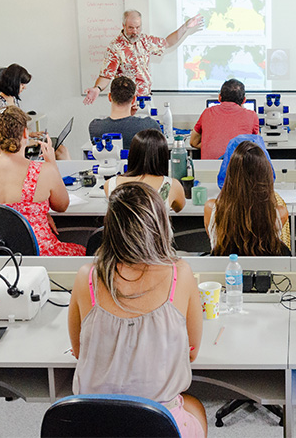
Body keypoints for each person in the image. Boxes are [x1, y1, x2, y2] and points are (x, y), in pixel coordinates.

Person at [68, 182, 206, 438]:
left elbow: (78, 351)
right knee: (194, 406)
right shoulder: (180, 273)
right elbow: (192, 352)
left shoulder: (86, 277)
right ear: (160, 226)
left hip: (93, 425)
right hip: (156, 424)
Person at [0, 106, 85, 256]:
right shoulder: (43, 170)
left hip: (2, 255)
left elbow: (2, 213)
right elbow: (62, 205)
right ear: (25, 133)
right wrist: (51, 164)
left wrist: (41, 212)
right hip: (40, 253)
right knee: (84, 250)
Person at [83, 10, 204, 105]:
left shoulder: (144, 40)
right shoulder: (115, 47)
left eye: (138, 27)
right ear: (123, 25)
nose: (135, 32)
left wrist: (185, 27)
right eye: (131, 28)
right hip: (126, 101)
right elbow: (106, 75)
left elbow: (167, 43)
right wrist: (97, 88)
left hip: (145, 98)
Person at [204, 140, 290, 255]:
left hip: (225, 270)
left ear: (230, 175)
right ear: (266, 177)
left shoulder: (212, 209)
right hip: (264, 271)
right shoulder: (279, 214)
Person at [104, 129, 185, 213]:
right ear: (163, 156)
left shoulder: (110, 184)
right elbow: (178, 208)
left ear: (132, 154)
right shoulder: (172, 186)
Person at [191, 79, 260, 160]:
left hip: (209, 169)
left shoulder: (207, 112)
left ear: (219, 97)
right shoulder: (251, 115)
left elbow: (193, 142)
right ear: (244, 100)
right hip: (238, 169)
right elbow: (256, 146)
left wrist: (211, 145)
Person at [88, 75, 160, 149]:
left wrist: (130, 117)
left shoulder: (95, 127)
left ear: (109, 97)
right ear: (134, 99)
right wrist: (131, 117)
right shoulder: (150, 125)